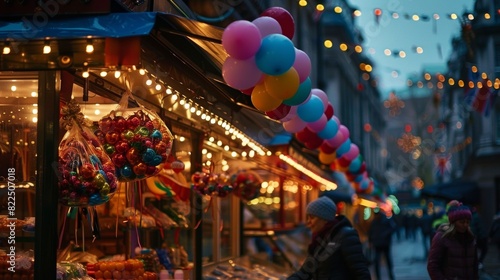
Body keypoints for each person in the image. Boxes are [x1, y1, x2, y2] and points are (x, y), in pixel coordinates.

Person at [287, 196, 371, 279]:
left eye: (312, 217)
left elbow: (361, 272)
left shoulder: (346, 235)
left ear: (324, 218)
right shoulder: (319, 239)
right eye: (307, 217)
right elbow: (305, 272)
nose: (308, 222)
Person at [427, 200, 479, 280]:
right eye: (462, 222)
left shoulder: (471, 238)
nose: (465, 225)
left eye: (468, 222)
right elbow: (432, 265)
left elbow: (474, 266)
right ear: (453, 222)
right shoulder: (442, 237)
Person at [368, 209, 397, 280]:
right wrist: (371, 241)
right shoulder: (374, 222)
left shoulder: (384, 221)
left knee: (387, 260)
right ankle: (379, 277)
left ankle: (390, 275)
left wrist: (385, 234)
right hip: (378, 244)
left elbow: (392, 228)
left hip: (384, 244)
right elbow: (370, 232)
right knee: (377, 261)